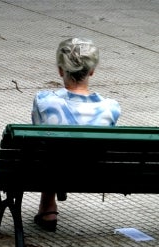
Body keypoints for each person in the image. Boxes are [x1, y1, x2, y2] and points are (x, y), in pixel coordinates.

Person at [31, 37, 121, 232]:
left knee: (48, 152)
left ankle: (48, 206)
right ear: (92, 71)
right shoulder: (111, 108)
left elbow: (38, 141)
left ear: (61, 70)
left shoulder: (44, 101)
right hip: (93, 173)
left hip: (52, 170)